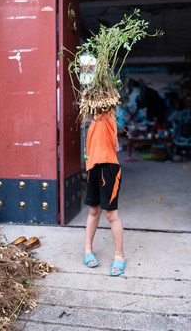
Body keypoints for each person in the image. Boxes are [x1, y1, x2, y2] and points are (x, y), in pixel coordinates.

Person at [83, 111, 126, 276]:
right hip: (92, 166)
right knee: (93, 210)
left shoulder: (111, 114)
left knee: (111, 214)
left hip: (109, 166)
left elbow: (115, 140)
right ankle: (88, 250)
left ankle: (119, 255)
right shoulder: (91, 115)